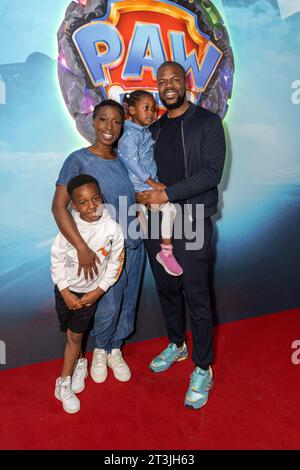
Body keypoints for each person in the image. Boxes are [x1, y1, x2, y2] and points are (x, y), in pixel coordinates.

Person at [137, 61, 226, 409]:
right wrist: (145, 195)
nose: (168, 86)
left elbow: (211, 173)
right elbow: (143, 171)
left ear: (186, 83)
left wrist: (166, 194)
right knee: (167, 289)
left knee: (197, 295)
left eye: (174, 79)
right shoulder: (153, 130)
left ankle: (203, 367)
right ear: (158, 87)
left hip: (193, 219)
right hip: (157, 222)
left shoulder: (207, 122)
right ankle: (177, 344)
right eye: (162, 82)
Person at [52, 99, 144, 388]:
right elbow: (58, 207)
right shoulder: (78, 159)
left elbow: (130, 195)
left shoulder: (124, 161)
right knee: (107, 304)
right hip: (99, 252)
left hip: (132, 244)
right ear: (92, 121)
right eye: (103, 120)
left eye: (117, 122)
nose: (109, 127)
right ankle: (101, 350)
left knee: (128, 302)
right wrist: (82, 247)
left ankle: (116, 348)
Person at [51, 174, 124, 414]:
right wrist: (64, 291)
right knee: (73, 335)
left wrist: (98, 290)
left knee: (74, 337)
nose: (91, 205)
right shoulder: (69, 228)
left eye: (95, 198)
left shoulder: (112, 229)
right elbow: (57, 259)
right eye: (83, 202)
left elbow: (115, 263)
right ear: (73, 205)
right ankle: (80, 362)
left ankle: (62, 383)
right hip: (66, 292)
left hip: (88, 296)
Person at [117, 90, 182, 276]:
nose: (151, 113)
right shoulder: (130, 134)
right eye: (146, 108)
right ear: (131, 110)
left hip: (143, 186)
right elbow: (131, 161)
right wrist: (152, 183)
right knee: (168, 211)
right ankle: (165, 250)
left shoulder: (142, 131)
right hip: (141, 186)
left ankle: (161, 250)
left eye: (153, 108)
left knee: (153, 219)